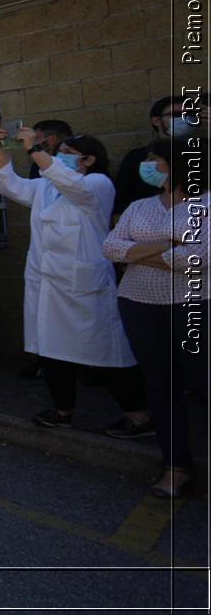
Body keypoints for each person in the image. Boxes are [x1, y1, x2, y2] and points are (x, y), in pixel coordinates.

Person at [0, 127, 151, 433]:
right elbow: (7, 185)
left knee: (104, 350)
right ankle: (62, 409)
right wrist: (3, 151)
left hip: (84, 285)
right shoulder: (45, 187)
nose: (59, 157)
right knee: (51, 349)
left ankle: (139, 415)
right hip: (46, 281)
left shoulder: (98, 184)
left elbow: (71, 185)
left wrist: (34, 151)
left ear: (90, 160)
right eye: (58, 152)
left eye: (68, 153)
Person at [104, 140, 207, 498]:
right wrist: (168, 245)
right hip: (138, 302)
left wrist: (137, 253)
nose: (146, 165)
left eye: (153, 160)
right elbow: (111, 247)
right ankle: (175, 467)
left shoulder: (205, 205)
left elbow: (196, 257)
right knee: (161, 387)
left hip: (194, 304)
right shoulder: (139, 205)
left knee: (203, 383)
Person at [114, 96, 190, 217]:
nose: (184, 119)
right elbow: (120, 205)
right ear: (156, 121)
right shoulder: (136, 157)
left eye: (189, 114)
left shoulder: (201, 152)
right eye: (176, 114)